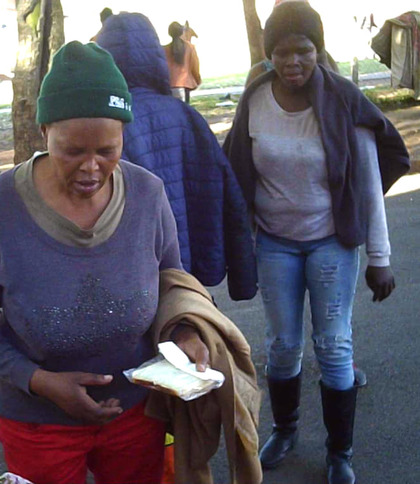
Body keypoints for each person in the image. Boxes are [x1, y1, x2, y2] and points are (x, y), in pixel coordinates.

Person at [0, 41, 211, 484]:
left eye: (107, 151)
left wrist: (185, 334)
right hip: (37, 424)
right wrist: (39, 381)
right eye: (73, 151)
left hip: (138, 413)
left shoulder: (147, 194)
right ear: (44, 131)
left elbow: (174, 287)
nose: (91, 167)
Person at [223, 3, 410, 484]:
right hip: (275, 243)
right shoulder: (255, 99)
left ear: (318, 50)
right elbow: (237, 175)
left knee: (334, 344)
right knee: (282, 344)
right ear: (269, 55)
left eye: (303, 50)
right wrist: (238, 243)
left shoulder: (344, 100)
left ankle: (339, 452)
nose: (293, 61)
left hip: (331, 241)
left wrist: (380, 257)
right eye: (282, 52)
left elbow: (368, 181)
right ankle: (285, 431)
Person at [96, 12, 257, 302]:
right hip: (191, 274)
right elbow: (232, 198)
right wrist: (243, 279)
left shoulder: (106, 127)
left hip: (136, 272)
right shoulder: (187, 117)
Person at [163, 21, 201, 103]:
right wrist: (198, 80)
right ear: (181, 32)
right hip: (184, 85)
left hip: (168, 86)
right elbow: (195, 67)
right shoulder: (190, 47)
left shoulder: (164, 49)